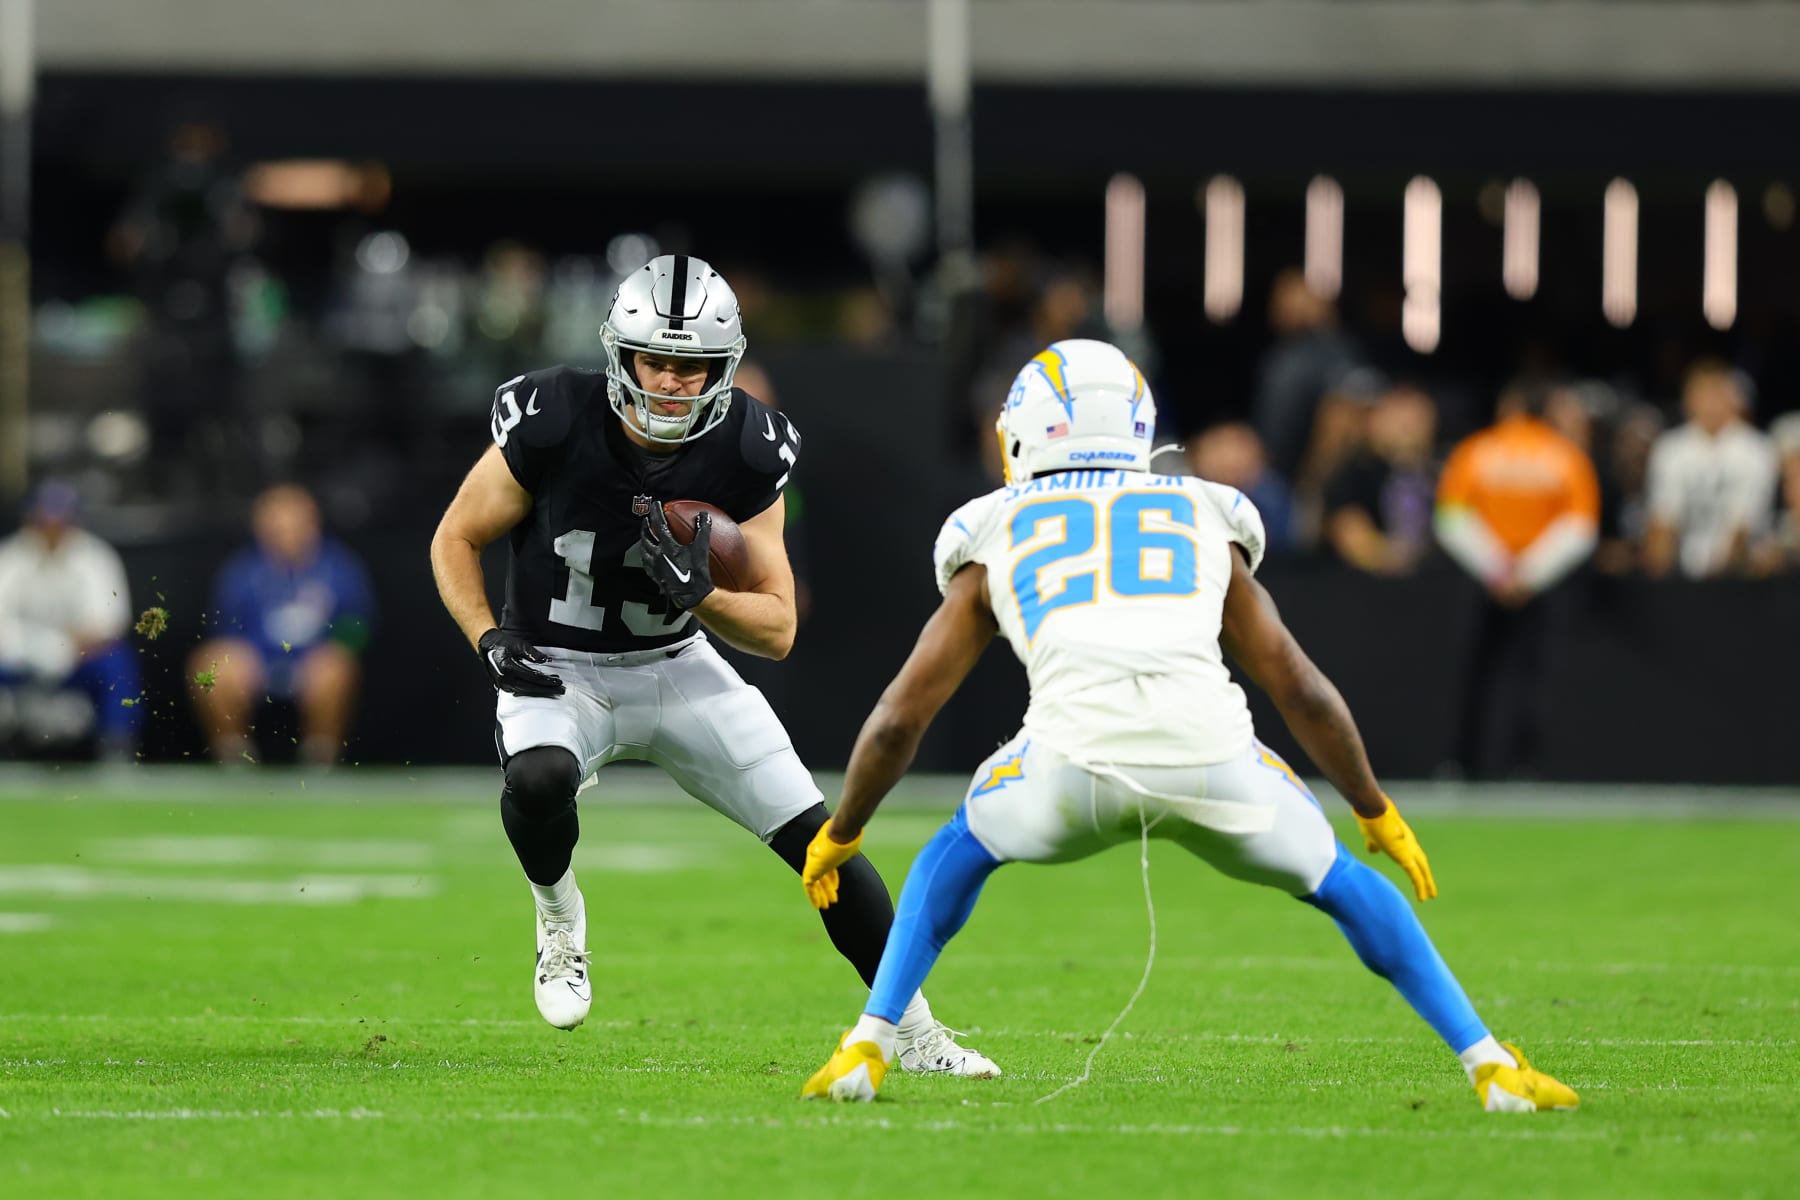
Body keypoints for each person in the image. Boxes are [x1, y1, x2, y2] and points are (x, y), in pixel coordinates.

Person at [797, 339, 1577, 1114]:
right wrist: (1372, 806)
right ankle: (1490, 1066)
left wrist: (846, 828)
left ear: (1028, 429)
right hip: (1215, 762)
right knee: (1346, 884)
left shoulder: (995, 524)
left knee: (952, 851)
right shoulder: (1202, 508)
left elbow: (903, 714)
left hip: (1071, 770)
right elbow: (1298, 685)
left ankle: (869, 1041)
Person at [428, 254, 996, 1076]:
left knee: (820, 842)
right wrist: (487, 635)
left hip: (676, 664)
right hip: (559, 664)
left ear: (720, 369)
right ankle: (559, 916)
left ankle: (913, 1030)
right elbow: (455, 535)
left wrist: (703, 598)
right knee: (541, 778)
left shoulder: (746, 447)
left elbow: (778, 628)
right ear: (619, 358)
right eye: (653, 360)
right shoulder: (554, 415)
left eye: (689, 366)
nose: (668, 381)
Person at [1434, 382, 1600, 780]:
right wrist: (1528, 574)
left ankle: (1463, 764)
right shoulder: (1565, 455)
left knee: (1476, 673)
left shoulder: (1476, 449)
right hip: (1541, 584)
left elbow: (1451, 518)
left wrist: (1498, 569)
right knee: (1535, 675)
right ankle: (1527, 766)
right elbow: (1579, 527)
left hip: (1486, 579)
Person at [190, 484, 374, 765]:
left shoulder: (339, 567)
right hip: (258, 660)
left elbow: (359, 629)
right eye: (276, 526)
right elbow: (224, 630)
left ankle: (320, 757)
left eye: (293, 524)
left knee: (336, 668)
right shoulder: (242, 570)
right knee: (208, 665)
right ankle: (233, 755)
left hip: (313, 662)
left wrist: (332, 648)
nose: (285, 533)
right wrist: (242, 657)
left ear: (312, 524)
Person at [0, 482, 141, 759]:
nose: (53, 529)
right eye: (45, 521)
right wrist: (31, 647)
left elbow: (109, 623)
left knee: (118, 662)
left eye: (60, 521)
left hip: (78, 659)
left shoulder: (96, 557)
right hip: (18, 658)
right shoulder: (10, 556)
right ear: (31, 518)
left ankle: (117, 744)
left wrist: (61, 646)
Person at [1642, 361, 1780, 579]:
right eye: (1701, 394)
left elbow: (1742, 528)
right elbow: (1663, 521)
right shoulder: (1670, 449)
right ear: (1687, 399)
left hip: (1741, 576)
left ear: (1731, 397)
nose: (1709, 403)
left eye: (1715, 393)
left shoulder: (1756, 450)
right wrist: (1660, 580)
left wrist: (1715, 586)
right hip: (1682, 572)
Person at [1321, 382, 1439, 575]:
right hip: (1367, 590)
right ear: (1375, 421)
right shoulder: (1354, 473)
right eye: (1399, 417)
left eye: (1417, 418)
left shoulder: (1441, 472)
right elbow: (1355, 541)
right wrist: (1404, 556)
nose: (1407, 427)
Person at [1187, 421, 1296, 555]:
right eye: (1219, 447)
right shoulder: (1182, 498)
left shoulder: (1272, 497)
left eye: (1240, 446)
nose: (1231, 458)